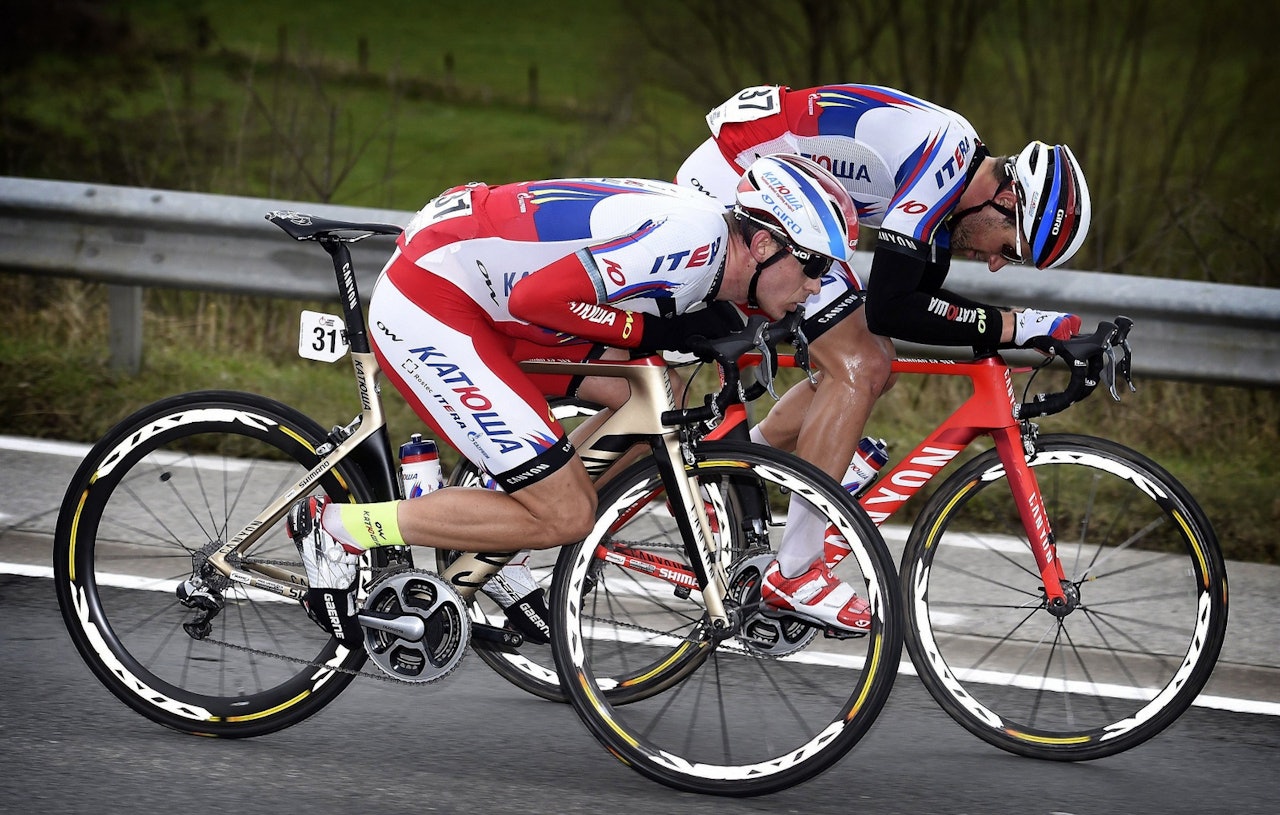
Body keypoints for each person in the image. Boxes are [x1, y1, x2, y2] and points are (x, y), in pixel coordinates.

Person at [286, 153, 860, 647]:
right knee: (566, 514)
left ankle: (497, 531)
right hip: (438, 299)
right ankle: (341, 527)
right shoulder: (691, 245)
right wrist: (649, 332)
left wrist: (684, 335)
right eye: (813, 265)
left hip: (484, 288)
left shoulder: (713, 247)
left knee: (646, 396)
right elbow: (540, 299)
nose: (816, 285)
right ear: (762, 243)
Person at [675, 83, 1092, 629]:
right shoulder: (943, 158)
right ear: (1007, 201)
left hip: (783, 196)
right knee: (860, 364)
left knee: (875, 363)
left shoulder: (955, 182)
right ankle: (795, 571)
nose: (994, 265)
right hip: (739, 185)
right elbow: (893, 307)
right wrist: (1018, 325)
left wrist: (1018, 326)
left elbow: (920, 303)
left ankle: (732, 470)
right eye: (1011, 251)